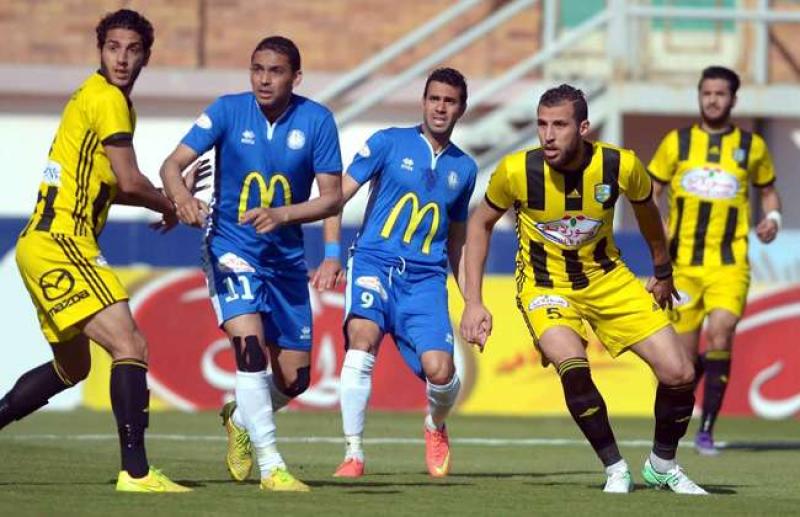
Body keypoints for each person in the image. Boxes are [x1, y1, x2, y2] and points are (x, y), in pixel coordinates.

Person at [460, 84, 707, 495]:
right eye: (542, 124)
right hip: (546, 284)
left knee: (680, 373)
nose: (548, 135)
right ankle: (615, 468)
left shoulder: (620, 164)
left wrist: (662, 270)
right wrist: (473, 301)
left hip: (609, 279)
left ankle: (662, 465)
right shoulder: (516, 171)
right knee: (573, 367)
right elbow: (479, 223)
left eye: (559, 125)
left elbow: (648, 213)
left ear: (584, 128)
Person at [2, 9, 195, 492]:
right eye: (113, 48)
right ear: (100, 50)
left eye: (133, 49)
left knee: (74, 367)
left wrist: (163, 199)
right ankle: (137, 473)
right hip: (62, 241)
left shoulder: (95, 96)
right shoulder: (109, 100)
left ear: (146, 56)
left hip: (40, 242)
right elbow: (129, 181)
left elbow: (113, 185)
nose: (122, 58)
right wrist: (174, 200)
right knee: (130, 346)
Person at [160, 36, 342, 492]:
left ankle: (240, 419)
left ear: (296, 77)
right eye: (257, 69)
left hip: (285, 262)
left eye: (275, 71)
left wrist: (285, 217)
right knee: (250, 353)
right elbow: (171, 165)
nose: (264, 79)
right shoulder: (227, 110)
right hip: (229, 250)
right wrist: (182, 199)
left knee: (295, 379)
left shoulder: (317, 121)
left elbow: (332, 199)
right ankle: (272, 467)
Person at [316, 68, 477, 479]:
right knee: (362, 340)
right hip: (374, 264)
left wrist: (473, 302)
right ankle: (353, 453)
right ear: (423, 102)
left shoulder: (465, 168)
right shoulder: (387, 142)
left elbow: (458, 240)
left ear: (461, 108)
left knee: (442, 372)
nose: (440, 107)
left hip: (425, 280)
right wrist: (331, 255)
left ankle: (435, 425)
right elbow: (334, 199)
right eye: (434, 98)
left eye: (449, 101)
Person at [648, 66, 782, 455]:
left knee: (722, 330)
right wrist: (656, 228)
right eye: (706, 93)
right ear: (699, 96)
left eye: (720, 93)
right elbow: (651, 191)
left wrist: (773, 218)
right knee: (685, 363)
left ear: (733, 99)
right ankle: (678, 424)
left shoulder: (751, 146)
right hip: (682, 268)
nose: (712, 100)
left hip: (729, 263)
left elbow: (768, 191)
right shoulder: (676, 143)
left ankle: (706, 430)